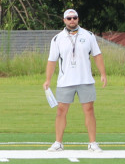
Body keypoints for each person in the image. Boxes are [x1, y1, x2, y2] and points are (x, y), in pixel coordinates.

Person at [43, 8, 107, 152]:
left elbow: (97, 55)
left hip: (85, 79)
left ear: (78, 19)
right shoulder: (57, 38)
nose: (72, 20)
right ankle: (58, 142)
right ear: (64, 20)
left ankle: (92, 143)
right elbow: (52, 60)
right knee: (61, 111)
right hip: (65, 80)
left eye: (75, 18)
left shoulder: (88, 35)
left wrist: (103, 73)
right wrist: (48, 79)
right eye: (69, 18)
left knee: (89, 110)